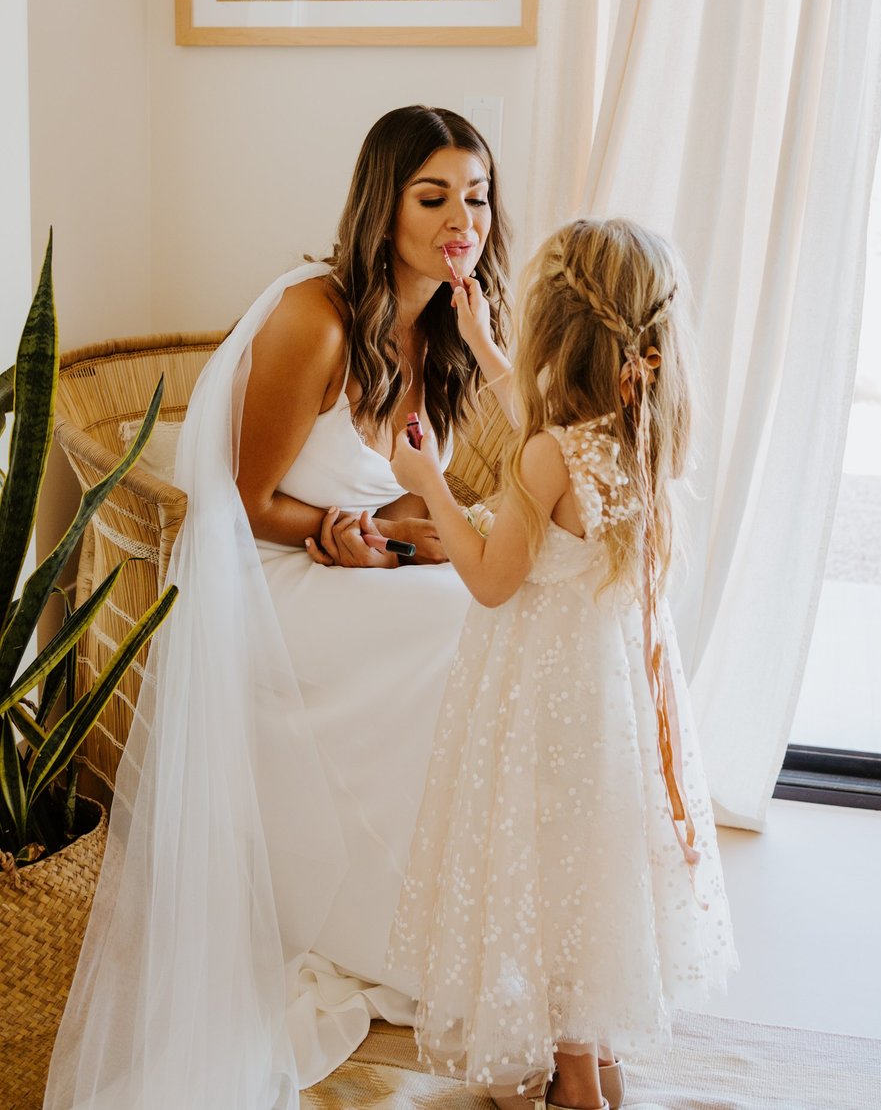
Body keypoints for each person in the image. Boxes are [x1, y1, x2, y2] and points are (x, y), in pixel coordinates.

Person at [44, 107, 516, 1110]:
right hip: (266, 582)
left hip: (347, 562)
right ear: (381, 207)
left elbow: (396, 485)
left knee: (488, 618)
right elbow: (244, 501)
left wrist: (396, 530)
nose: (460, 219)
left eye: (475, 196)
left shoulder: (442, 323)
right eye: (432, 197)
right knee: (456, 628)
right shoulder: (319, 317)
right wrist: (335, 535)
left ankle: (475, 904)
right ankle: (396, 921)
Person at [386, 217, 738, 1110]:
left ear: (561, 332)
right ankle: (595, 1060)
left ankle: (575, 1077)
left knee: (540, 868)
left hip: (544, 702)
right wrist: (482, 346)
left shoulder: (549, 455)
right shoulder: (641, 432)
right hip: (610, 702)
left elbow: (492, 581)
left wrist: (428, 482)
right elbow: (544, 433)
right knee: (591, 872)